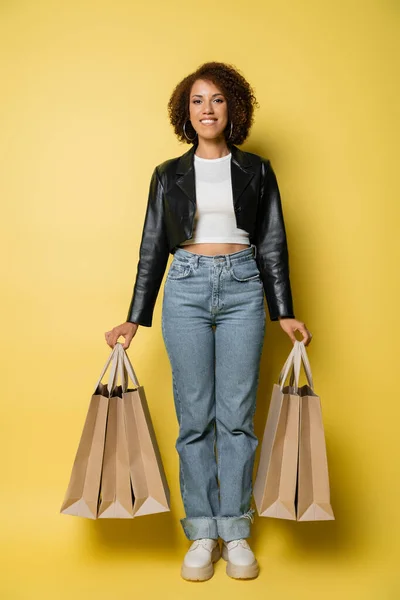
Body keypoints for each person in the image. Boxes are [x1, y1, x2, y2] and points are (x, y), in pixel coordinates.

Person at [105, 61, 312, 581]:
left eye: (217, 99)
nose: (207, 109)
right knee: (195, 417)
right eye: (197, 100)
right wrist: (135, 318)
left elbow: (272, 243)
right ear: (185, 111)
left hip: (243, 287)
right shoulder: (167, 175)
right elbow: (152, 248)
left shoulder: (257, 169)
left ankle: (235, 530)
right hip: (187, 288)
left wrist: (282, 311)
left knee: (237, 416)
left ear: (233, 108)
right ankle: (202, 530)